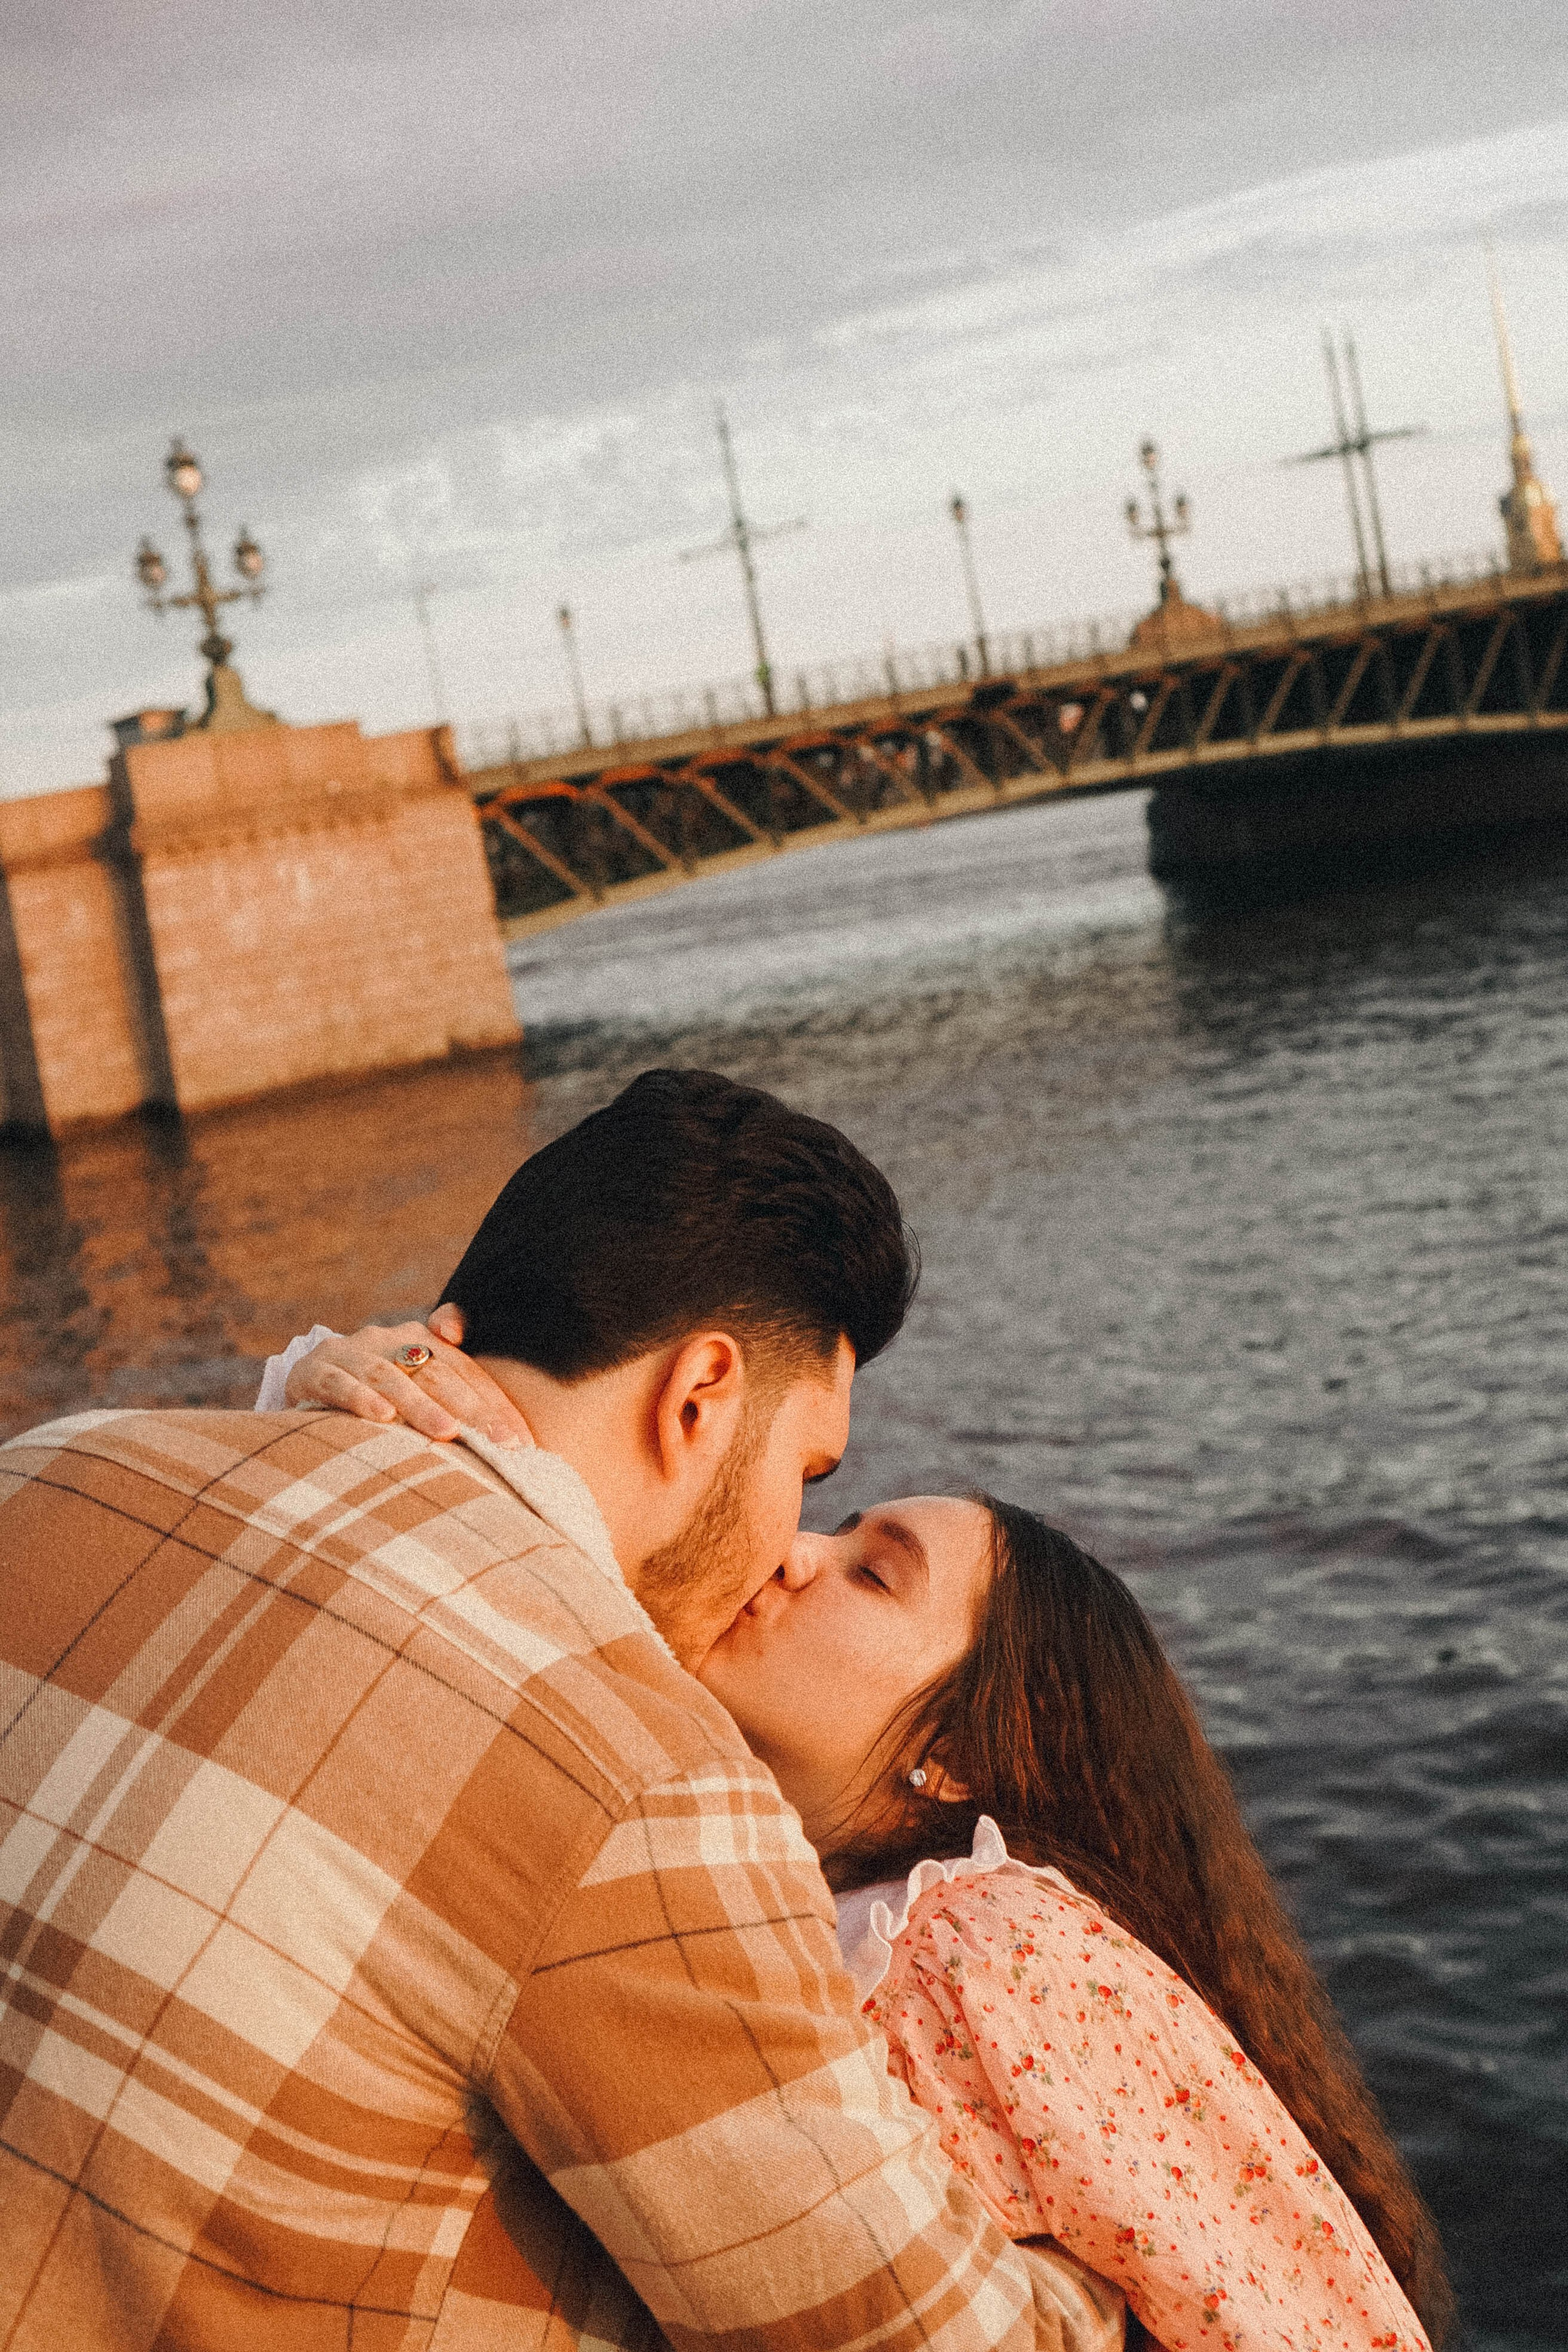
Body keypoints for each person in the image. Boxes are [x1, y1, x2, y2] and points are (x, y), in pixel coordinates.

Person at [0, 1069, 1117, 2352]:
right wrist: (1108, 2271)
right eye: (807, 1471)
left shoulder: (50, 1466)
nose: (785, 1546)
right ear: (699, 1397)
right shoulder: (634, 1773)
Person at [280, 1351, 1455, 2351]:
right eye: (840, 1525)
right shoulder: (763, 1881)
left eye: (873, 1571)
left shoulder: (989, 1942)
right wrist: (367, 1381)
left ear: (957, 1758)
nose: (793, 1548)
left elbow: (1280, 2311)